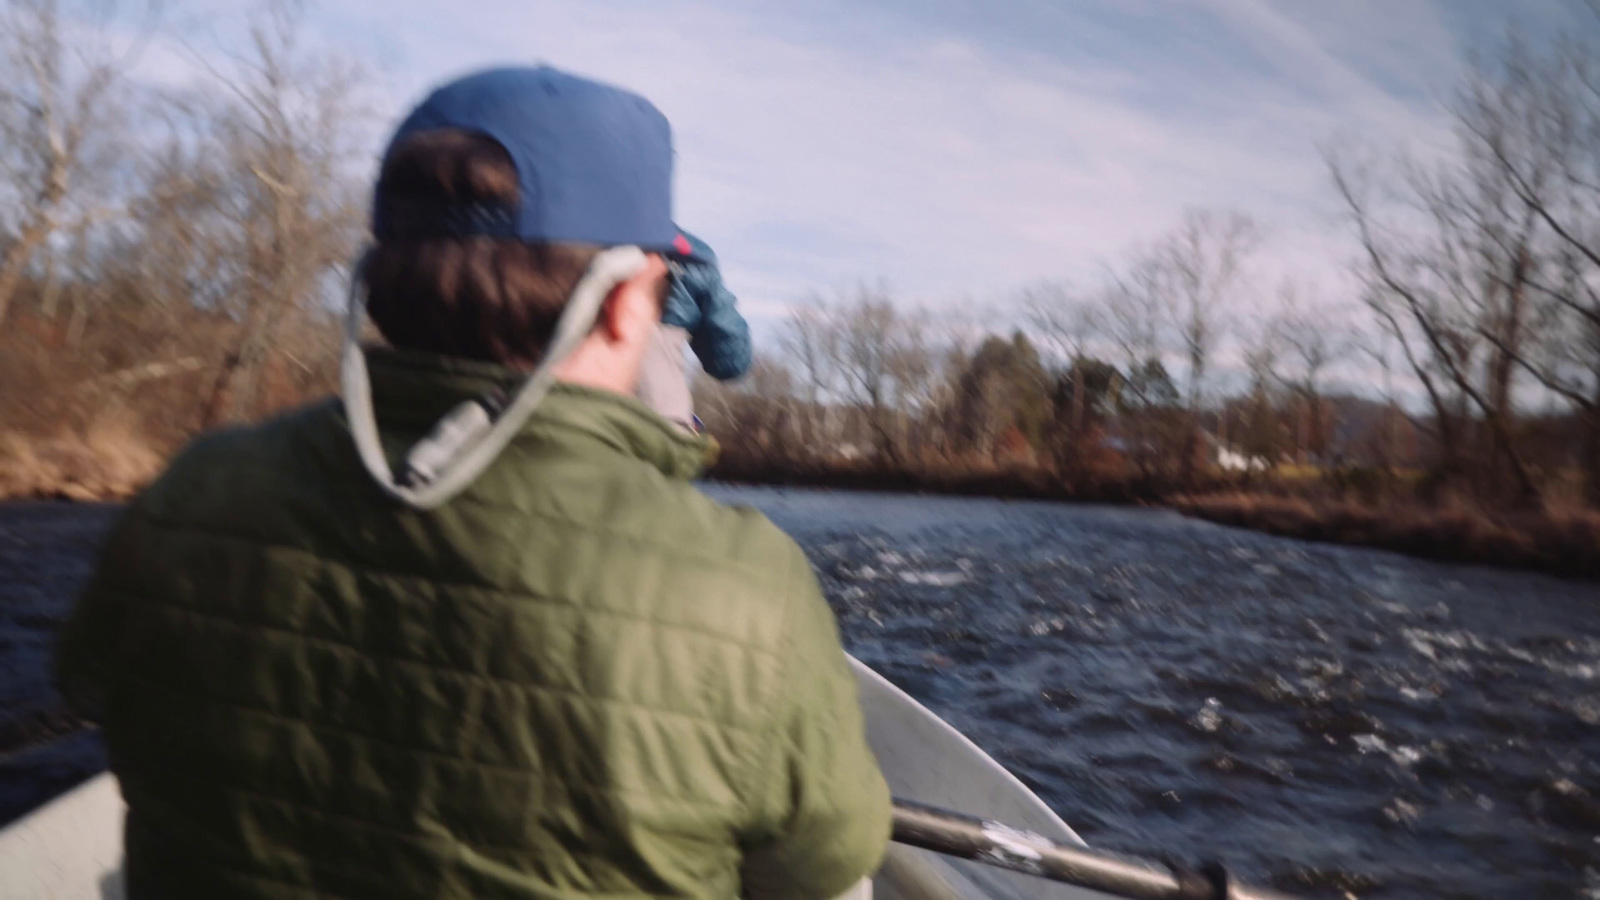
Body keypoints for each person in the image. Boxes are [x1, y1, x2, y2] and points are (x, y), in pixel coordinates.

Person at [55, 65, 890, 900]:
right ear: (631, 300)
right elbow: (821, 865)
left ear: (382, 272)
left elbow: (86, 684)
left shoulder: (193, 489)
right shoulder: (752, 588)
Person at [636, 230, 752, 433]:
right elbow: (731, 362)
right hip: (658, 426)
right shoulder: (689, 253)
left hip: (568, 421)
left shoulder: (567, 230)